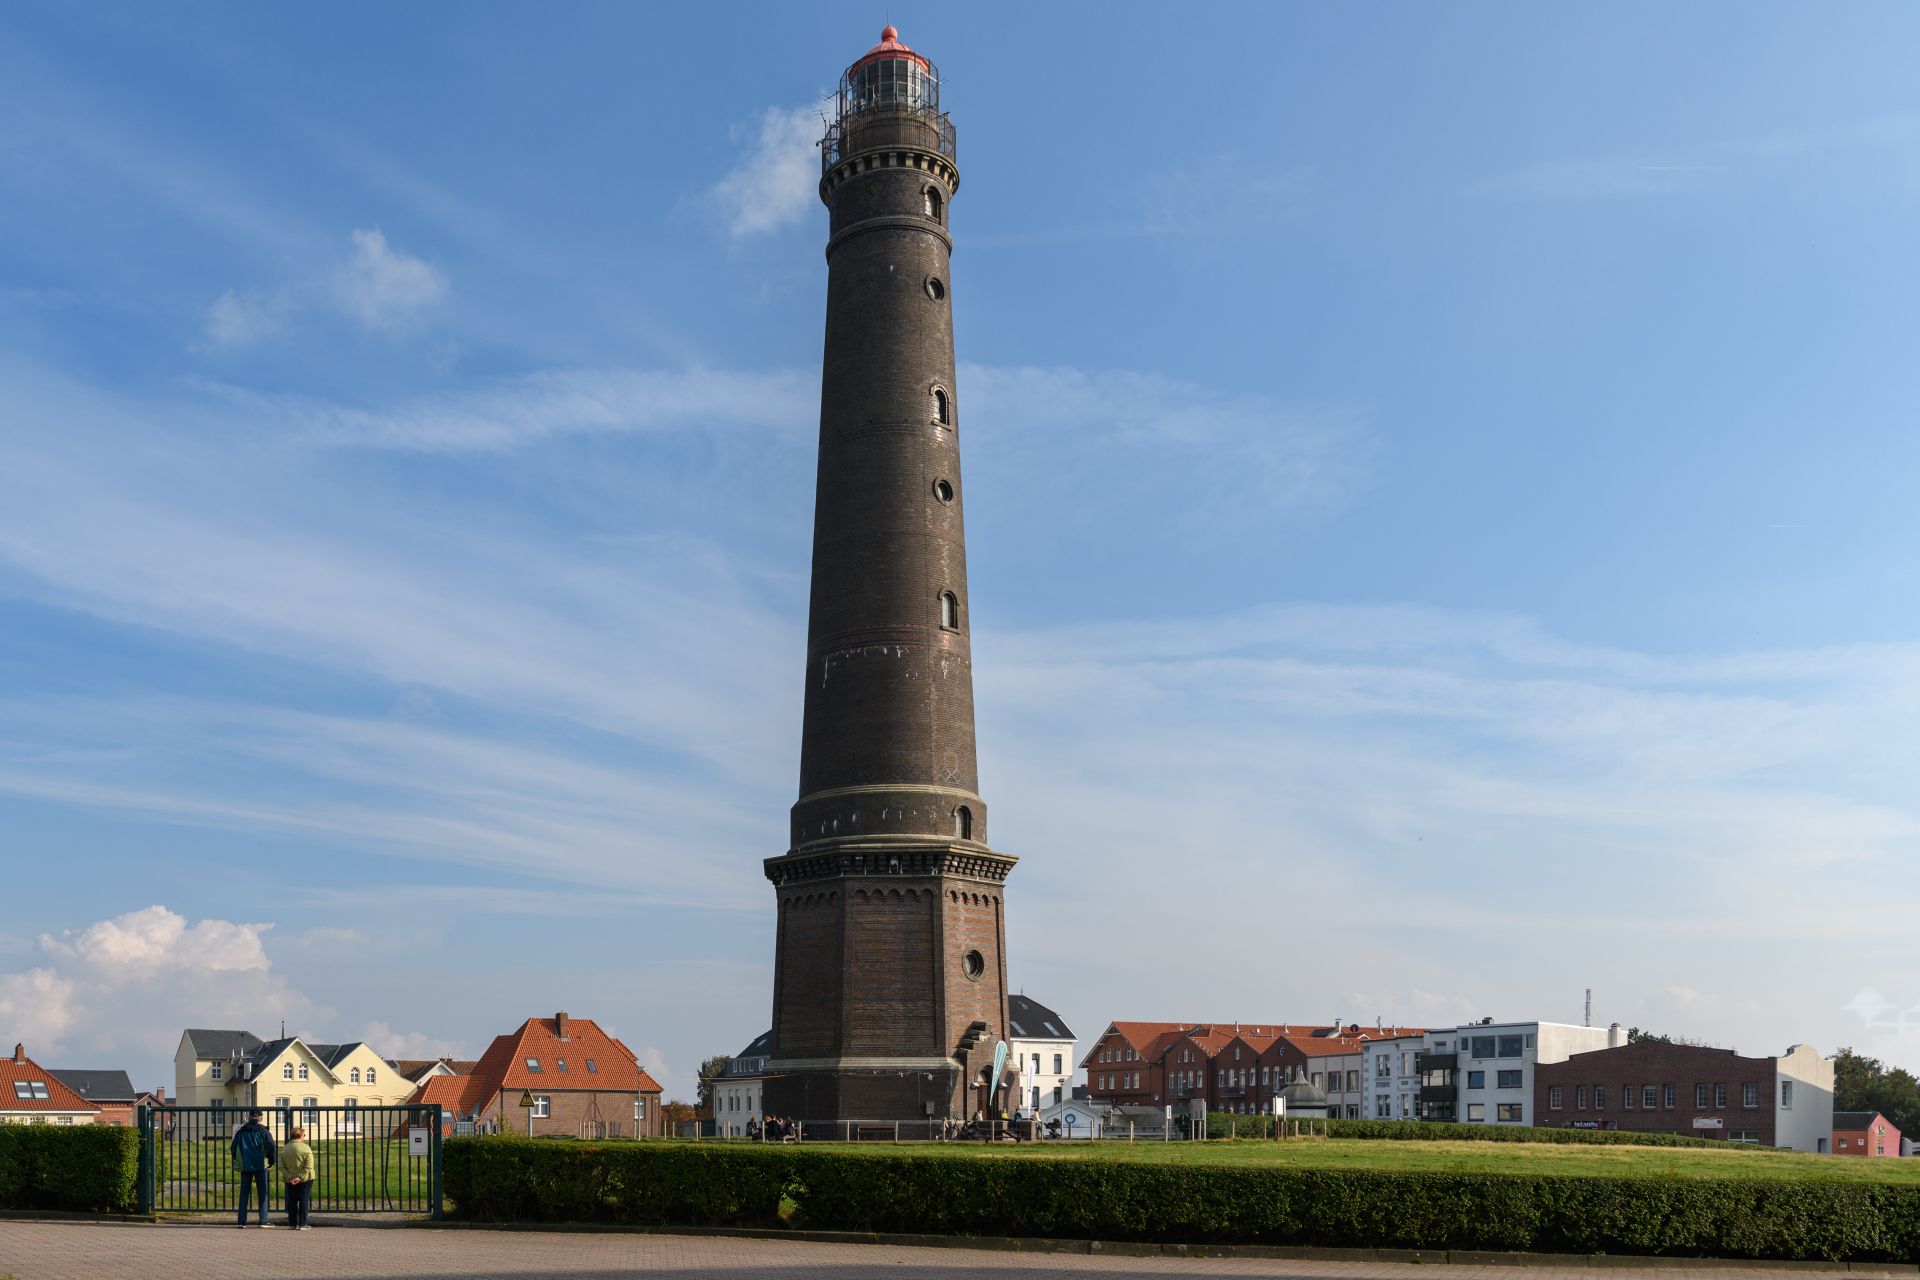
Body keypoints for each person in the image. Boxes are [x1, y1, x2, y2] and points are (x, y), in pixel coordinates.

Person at [230, 1108, 278, 1228]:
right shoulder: (263, 1131)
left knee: (244, 1193)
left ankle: (241, 1221)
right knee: (263, 1192)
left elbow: (233, 1147)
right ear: (260, 1118)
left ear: (249, 1117)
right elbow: (271, 1146)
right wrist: (272, 1161)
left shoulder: (241, 1131)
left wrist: (238, 1160)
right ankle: (263, 1220)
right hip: (261, 1165)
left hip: (245, 1165)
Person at [280, 1125, 315, 1231]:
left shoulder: (284, 1148)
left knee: (292, 1201)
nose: (304, 1137)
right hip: (305, 1179)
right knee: (304, 1200)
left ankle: (292, 1223)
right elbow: (309, 1166)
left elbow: (281, 1166)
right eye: (304, 1135)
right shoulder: (306, 1148)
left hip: (289, 1179)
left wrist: (289, 1176)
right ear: (300, 1136)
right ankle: (303, 1223)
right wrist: (300, 1177)